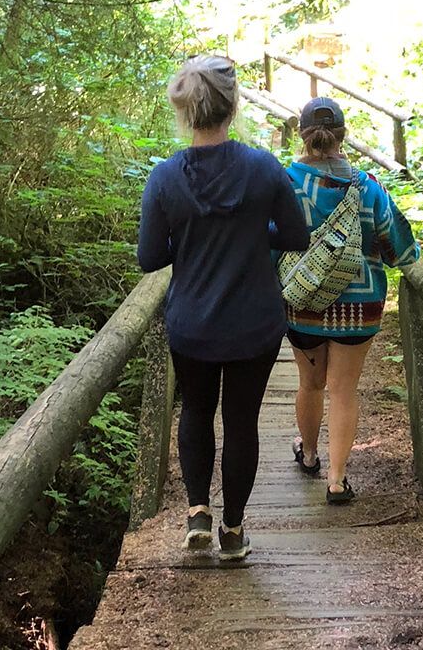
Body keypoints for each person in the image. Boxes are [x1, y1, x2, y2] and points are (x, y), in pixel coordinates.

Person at [137, 55, 309, 560]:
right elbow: (296, 236)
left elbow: (149, 257)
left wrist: (188, 240)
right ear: (232, 107)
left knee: (194, 411)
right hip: (254, 326)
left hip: (191, 325)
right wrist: (257, 231)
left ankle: (196, 512)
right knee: (241, 423)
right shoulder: (263, 169)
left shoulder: (166, 178)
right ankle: (233, 530)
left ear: (189, 113)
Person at [283, 97, 420, 504]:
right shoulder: (368, 186)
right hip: (358, 309)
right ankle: (338, 480)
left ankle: (308, 456)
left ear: (302, 136)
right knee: (344, 390)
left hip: (303, 304)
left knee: (310, 383)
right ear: (343, 136)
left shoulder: (288, 183)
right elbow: (400, 248)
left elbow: (272, 242)